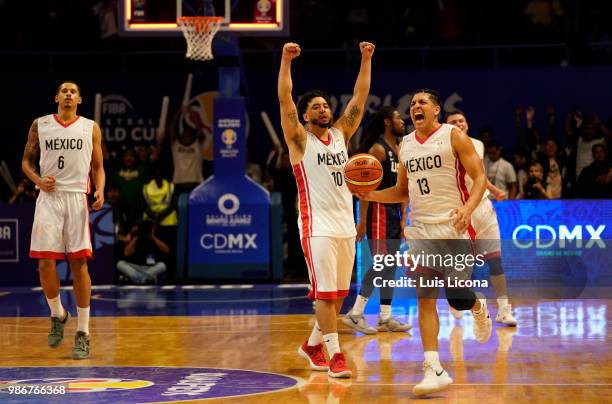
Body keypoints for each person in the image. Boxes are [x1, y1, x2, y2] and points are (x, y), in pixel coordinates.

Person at [358, 89, 492, 396]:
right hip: (420, 230)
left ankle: (477, 304)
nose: (415, 107)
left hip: (453, 225)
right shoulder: (406, 144)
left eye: (422, 103)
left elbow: (479, 177)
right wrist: (371, 194)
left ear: (436, 111)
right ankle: (434, 368)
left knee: (457, 296)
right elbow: (402, 191)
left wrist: (468, 208)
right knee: (426, 299)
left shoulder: (454, 136)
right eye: (413, 104)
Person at [277, 41, 374, 378]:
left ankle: (311, 347)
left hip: (345, 225)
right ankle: (336, 356)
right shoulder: (299, 140)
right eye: (315, 107)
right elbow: (284, 99)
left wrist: (365, 58)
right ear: (305, 115)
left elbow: (359, 98)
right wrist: (286, 61)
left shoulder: (340, 135)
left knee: (337, 296)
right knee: (325, 297)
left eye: (324, 105)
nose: (322, 109)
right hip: (315, 226)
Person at [21, 81, 105, 359]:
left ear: (79, 99)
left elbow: (97, 166)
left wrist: (101, 189)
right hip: (48, 197)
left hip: (76, 197)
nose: (68, 95)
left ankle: (83, 333)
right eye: (64, 91)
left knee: (78, 263)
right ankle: (57, 314)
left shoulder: (90, 126)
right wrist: (37, 181)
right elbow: (25, 162)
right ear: (56, 97)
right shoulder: (40, 125)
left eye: (73, 92)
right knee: (45, 265)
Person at [342, 106, 411, 334]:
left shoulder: (399, 149)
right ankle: (355, 313)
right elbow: (364, 188)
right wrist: (361, 221)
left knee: (389, 268)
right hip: (378, 213)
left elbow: (402, 188)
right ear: (387, 122)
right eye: (399, 117)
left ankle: (385, 317)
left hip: (393, 214)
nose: (403, 121)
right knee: (381, 265)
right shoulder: (378, 150)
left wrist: (403, 219)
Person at [446, 110, 517, 327]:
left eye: (462, 120)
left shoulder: (477, 143)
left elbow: (478, 175)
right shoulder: (442, 147)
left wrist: (494, 190)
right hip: (460, 209)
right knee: (461, 264)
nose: (459, 124)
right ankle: (458, 302)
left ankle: (504, 309)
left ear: (467, 124)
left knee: (495, 260)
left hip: (483, 208)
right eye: (453, 122)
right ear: (446, 127)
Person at [116, 220, 169, 284]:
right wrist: (136, 237)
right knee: (120, 264)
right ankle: (146, 280)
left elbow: (166, 250)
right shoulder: (135, 236)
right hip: (135, 267)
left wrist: (153, 237)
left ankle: (137, 279)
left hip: (150, 268)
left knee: (162, 265)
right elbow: (126, 253)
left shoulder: (156, 236)